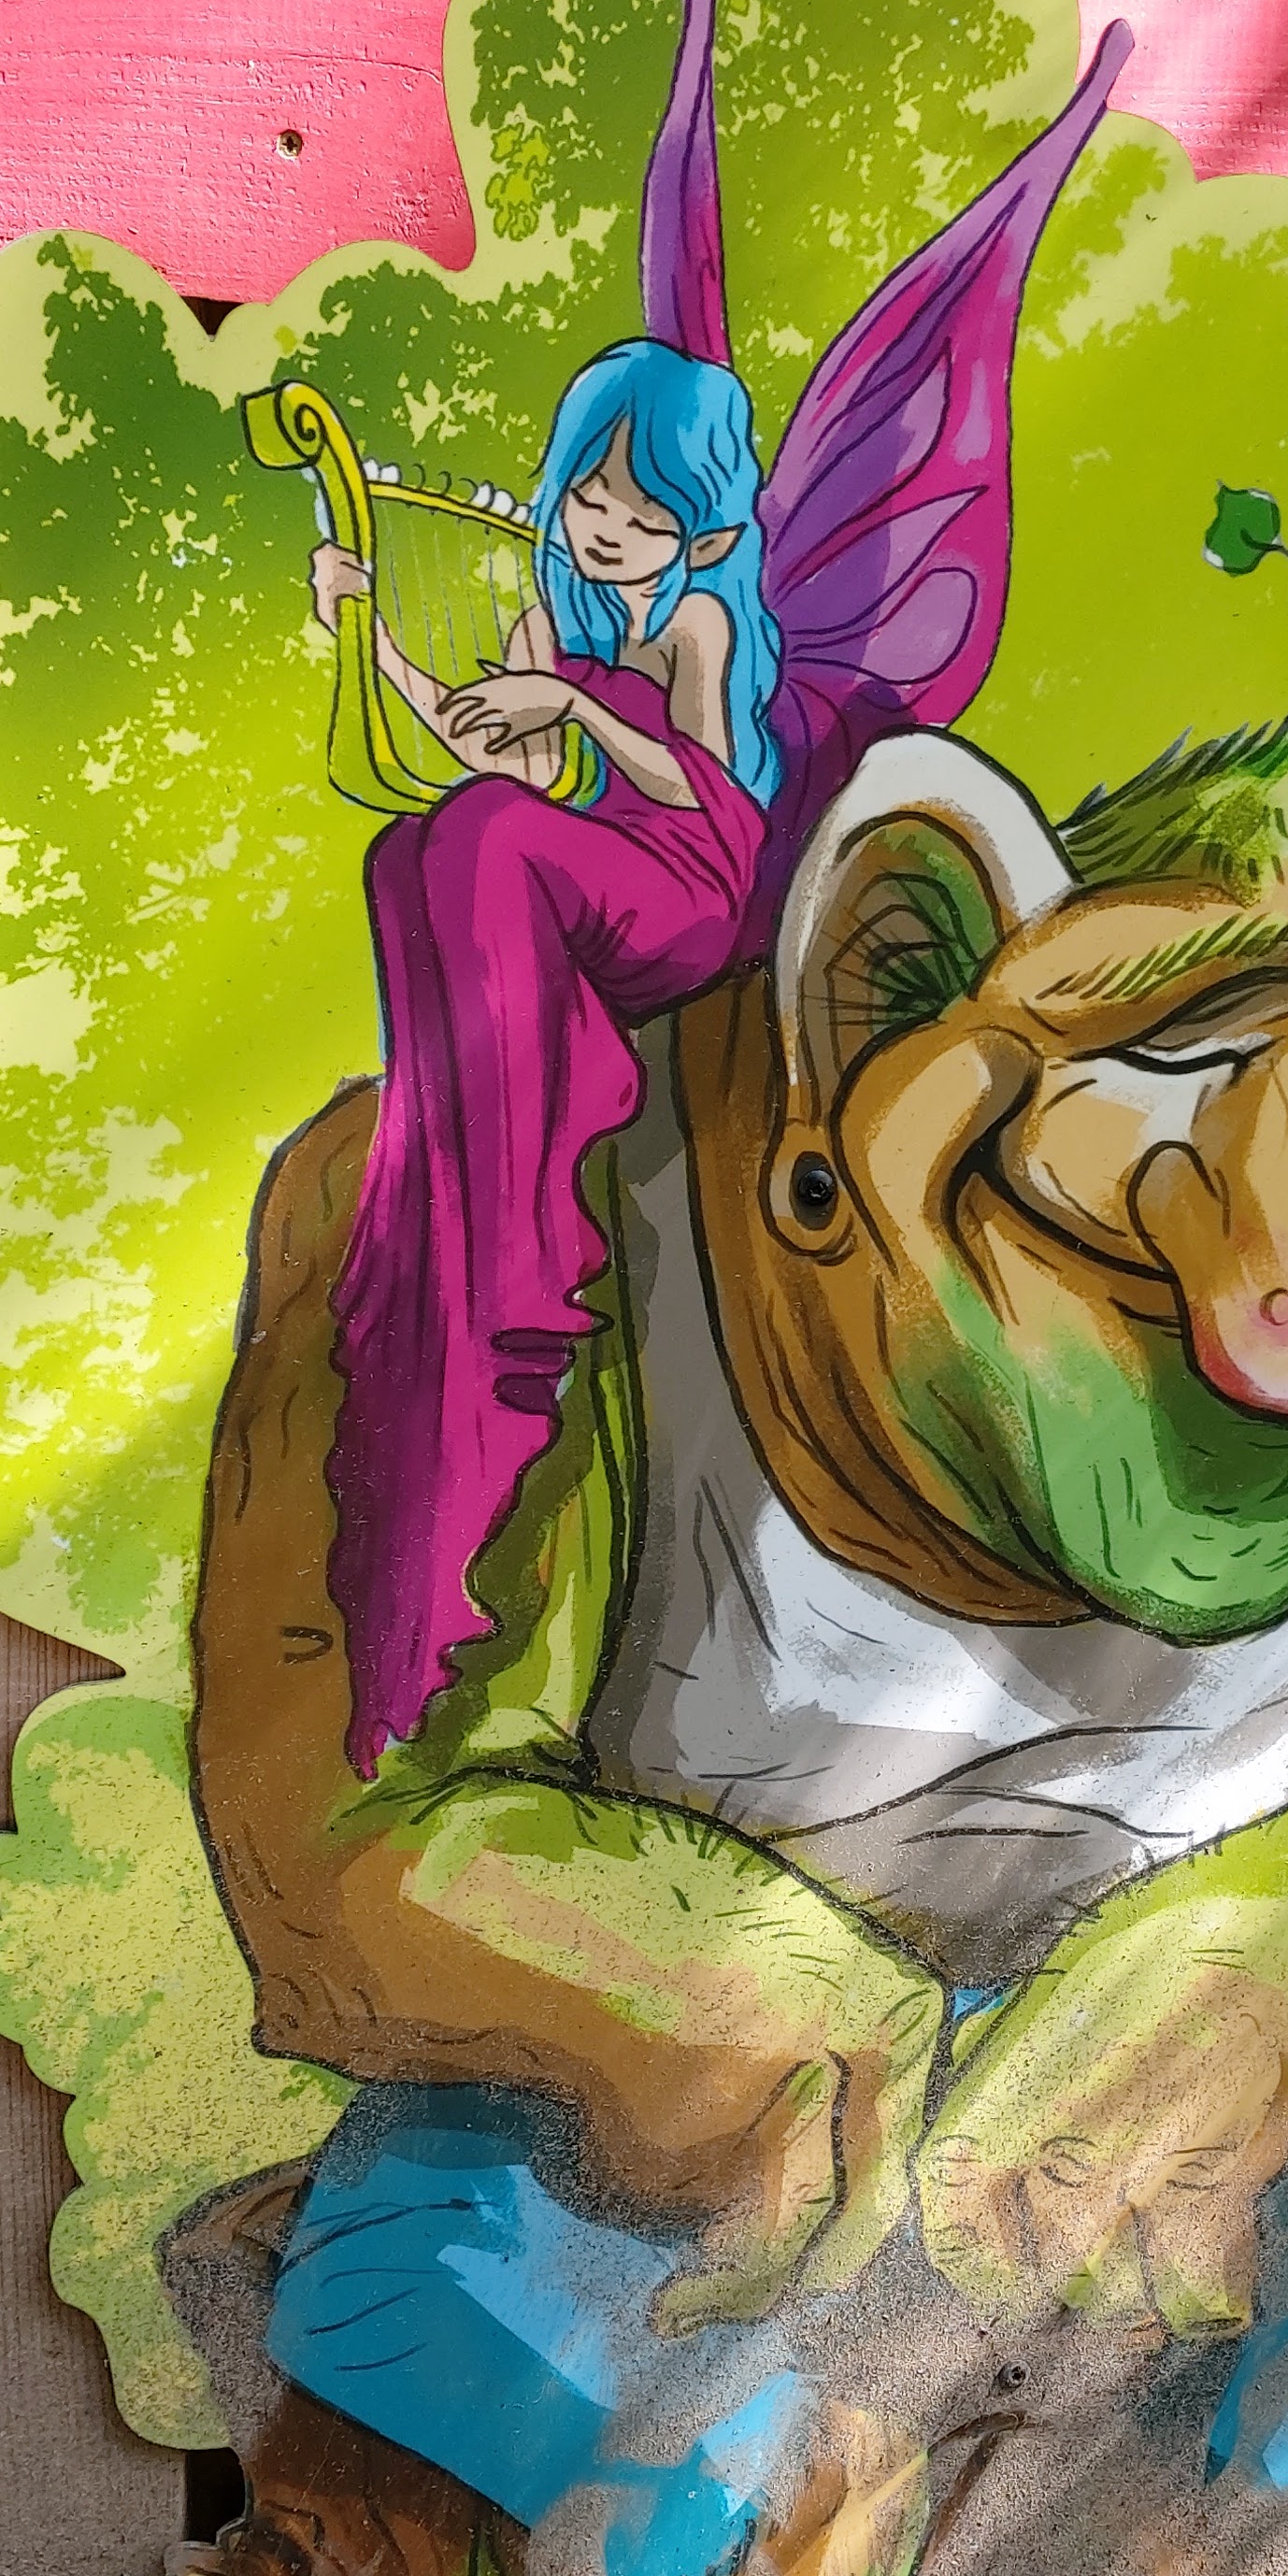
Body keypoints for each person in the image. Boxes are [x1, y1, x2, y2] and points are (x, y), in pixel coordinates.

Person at [313, 336, 784, 1778]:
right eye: (592, 496)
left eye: (646, 511)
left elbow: (709, 794)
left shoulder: (694, 625)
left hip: (697, 886)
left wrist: (576, 706)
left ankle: (520, 1196)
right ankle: (468, 1138)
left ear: (704, 531)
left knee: (486, 839)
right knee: (424, 842)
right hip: (593, 876)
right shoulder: (554, 617)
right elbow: (497, 763)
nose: (609, 528)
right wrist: (365, 635)